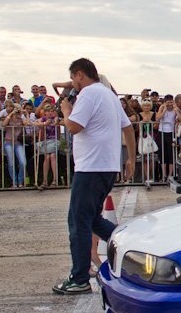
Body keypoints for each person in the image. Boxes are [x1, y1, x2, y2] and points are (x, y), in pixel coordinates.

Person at [53, 58, 135, 295]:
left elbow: (74, 127)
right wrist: (130, 158)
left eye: (73, 79)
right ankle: (130, 241)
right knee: (92, 219)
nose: (73, 85)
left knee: (78, 222)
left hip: (90, 168)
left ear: (80, 75)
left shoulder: (88, 94)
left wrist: (66, 110)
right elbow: (127, 127)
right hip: (107, 166)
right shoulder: (108, 94)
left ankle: (79, 278)